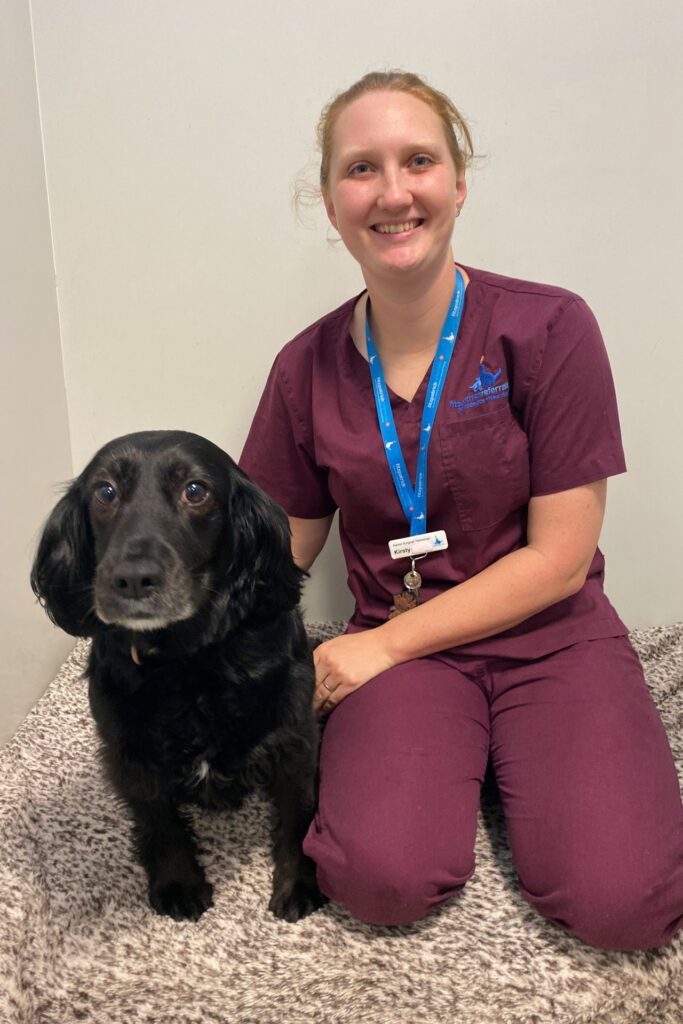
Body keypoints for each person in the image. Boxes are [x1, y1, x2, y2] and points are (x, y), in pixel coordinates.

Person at [239, 70, 683, 950]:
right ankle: (451, 761)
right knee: (376, 880)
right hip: (408, 665)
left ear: (458, 183)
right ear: (330, 203)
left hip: (545, 639)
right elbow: (275, 553)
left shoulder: (551, 329)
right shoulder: (302, 370)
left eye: (418, 161)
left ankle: (513, 761)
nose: (393, 191)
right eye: (361, 168)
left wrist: (375, 648)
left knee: (623, 905)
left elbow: (558, 559)